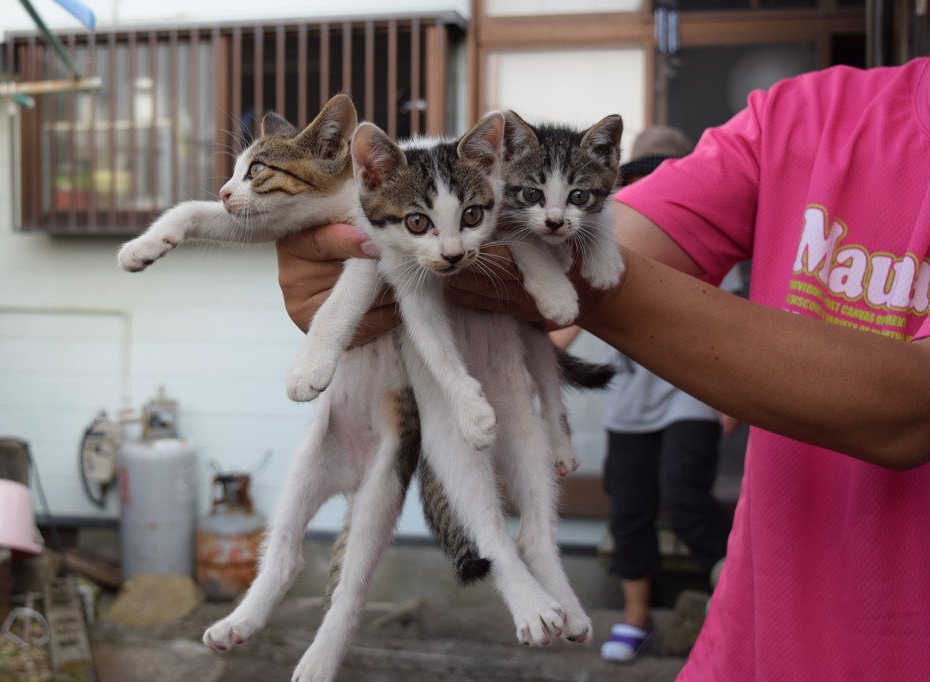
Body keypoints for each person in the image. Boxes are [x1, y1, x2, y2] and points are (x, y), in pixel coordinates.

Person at [274, 60, 930, 681]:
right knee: (625, 500)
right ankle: (619, 606)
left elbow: (909, 411)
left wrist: (513, 277)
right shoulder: (797, 114)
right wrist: (361, 241)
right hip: (749, 654)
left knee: (642, 492)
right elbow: (591, 250)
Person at [553, 126, 735, 663]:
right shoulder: (614, 233)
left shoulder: (716, 238)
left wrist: (732, 396)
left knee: (684, 500)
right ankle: (636, 620)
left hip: (690, 394)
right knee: (629, 509)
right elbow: (564, 318)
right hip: (630, 399)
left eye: (666, 174)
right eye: (641, 176)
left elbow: (735, 325)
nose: (653, 185)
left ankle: (736, 590)